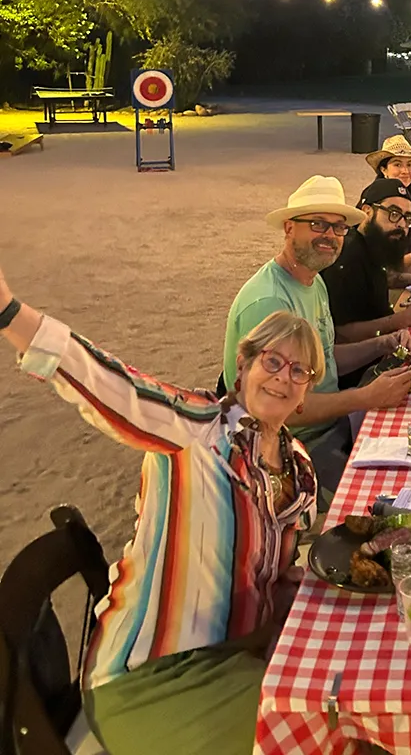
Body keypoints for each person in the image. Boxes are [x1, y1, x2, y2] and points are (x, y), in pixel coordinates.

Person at [0, 267, 322, 755]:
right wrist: (10, 314)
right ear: (243, 365)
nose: (283, 378)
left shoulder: (296, 468)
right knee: (316, 721)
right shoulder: (196, 430)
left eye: (300, 371)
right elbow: (113, 386)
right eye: (273, 361)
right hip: (145, 679)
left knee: (340, 686)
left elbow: (276, 578)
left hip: (234, 657)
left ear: (307, 391)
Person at [224, 177, 411, 493]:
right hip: (288, 449)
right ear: (288, 228)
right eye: (317, 224)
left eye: (338, 227)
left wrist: (384, 341)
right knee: (394, 491)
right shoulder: (271, 301)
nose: (330, 236)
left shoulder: (313, 280)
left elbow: (324, 357)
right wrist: (366, 397)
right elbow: (282, 411)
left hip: (330, 425)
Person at [321, 179, 411, 344]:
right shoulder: (347, 257)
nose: (401, 224)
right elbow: (341, 333)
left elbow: (376, 280)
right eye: (393, 213)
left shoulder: (373, 242)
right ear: (367, 212)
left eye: (407, 218)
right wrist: (402, 319)